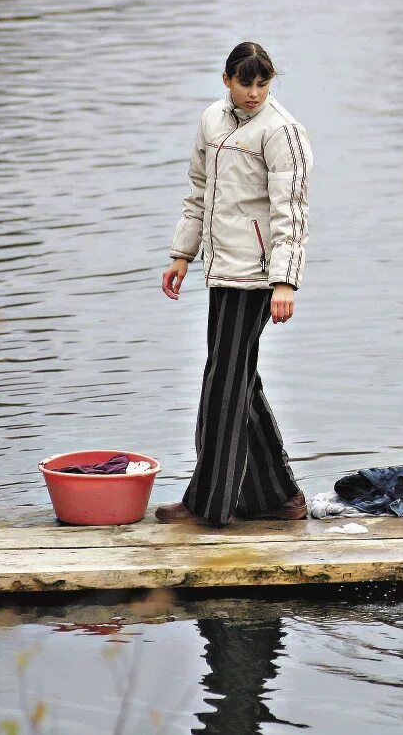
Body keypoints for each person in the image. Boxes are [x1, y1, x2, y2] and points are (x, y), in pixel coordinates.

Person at [155, 41, 313, 526]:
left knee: (222, 383)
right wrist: (183, 253)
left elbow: (292, 211)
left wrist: (284, 282)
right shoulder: (211, 121)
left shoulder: (281, 130)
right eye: (246, 83)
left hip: (259, 277)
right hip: (221, 271)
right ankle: (278, 497)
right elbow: (198, 192)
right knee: (237, 376)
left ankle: (209, 505)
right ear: (227, 80)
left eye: (263, 83)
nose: (254, 93)